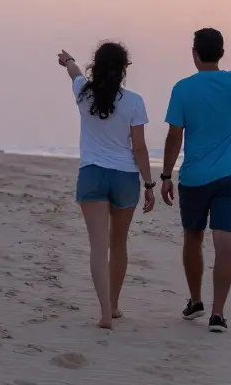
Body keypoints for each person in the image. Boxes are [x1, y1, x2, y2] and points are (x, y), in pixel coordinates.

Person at [160, 28, 231, 333]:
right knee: (224, 243)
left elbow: (174, 136)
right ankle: (218, 314)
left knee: (193, 237)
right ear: (220, 53)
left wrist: (165, 175)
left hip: (194, 177)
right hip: (230, 174)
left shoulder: (182, 89)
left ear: (194, 53)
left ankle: (195, 299)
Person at [57, 42, 156, 329]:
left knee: (98, 247)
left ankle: (103, 312)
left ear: (96, 66)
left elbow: (74, 72)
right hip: (124, 176)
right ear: (124, 68)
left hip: (92, 173)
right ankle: (113, 305)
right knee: (119, 244)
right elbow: (139, 148)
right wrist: (149, 183)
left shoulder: (83, 93)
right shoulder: (135, 101)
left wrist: (69, 60)